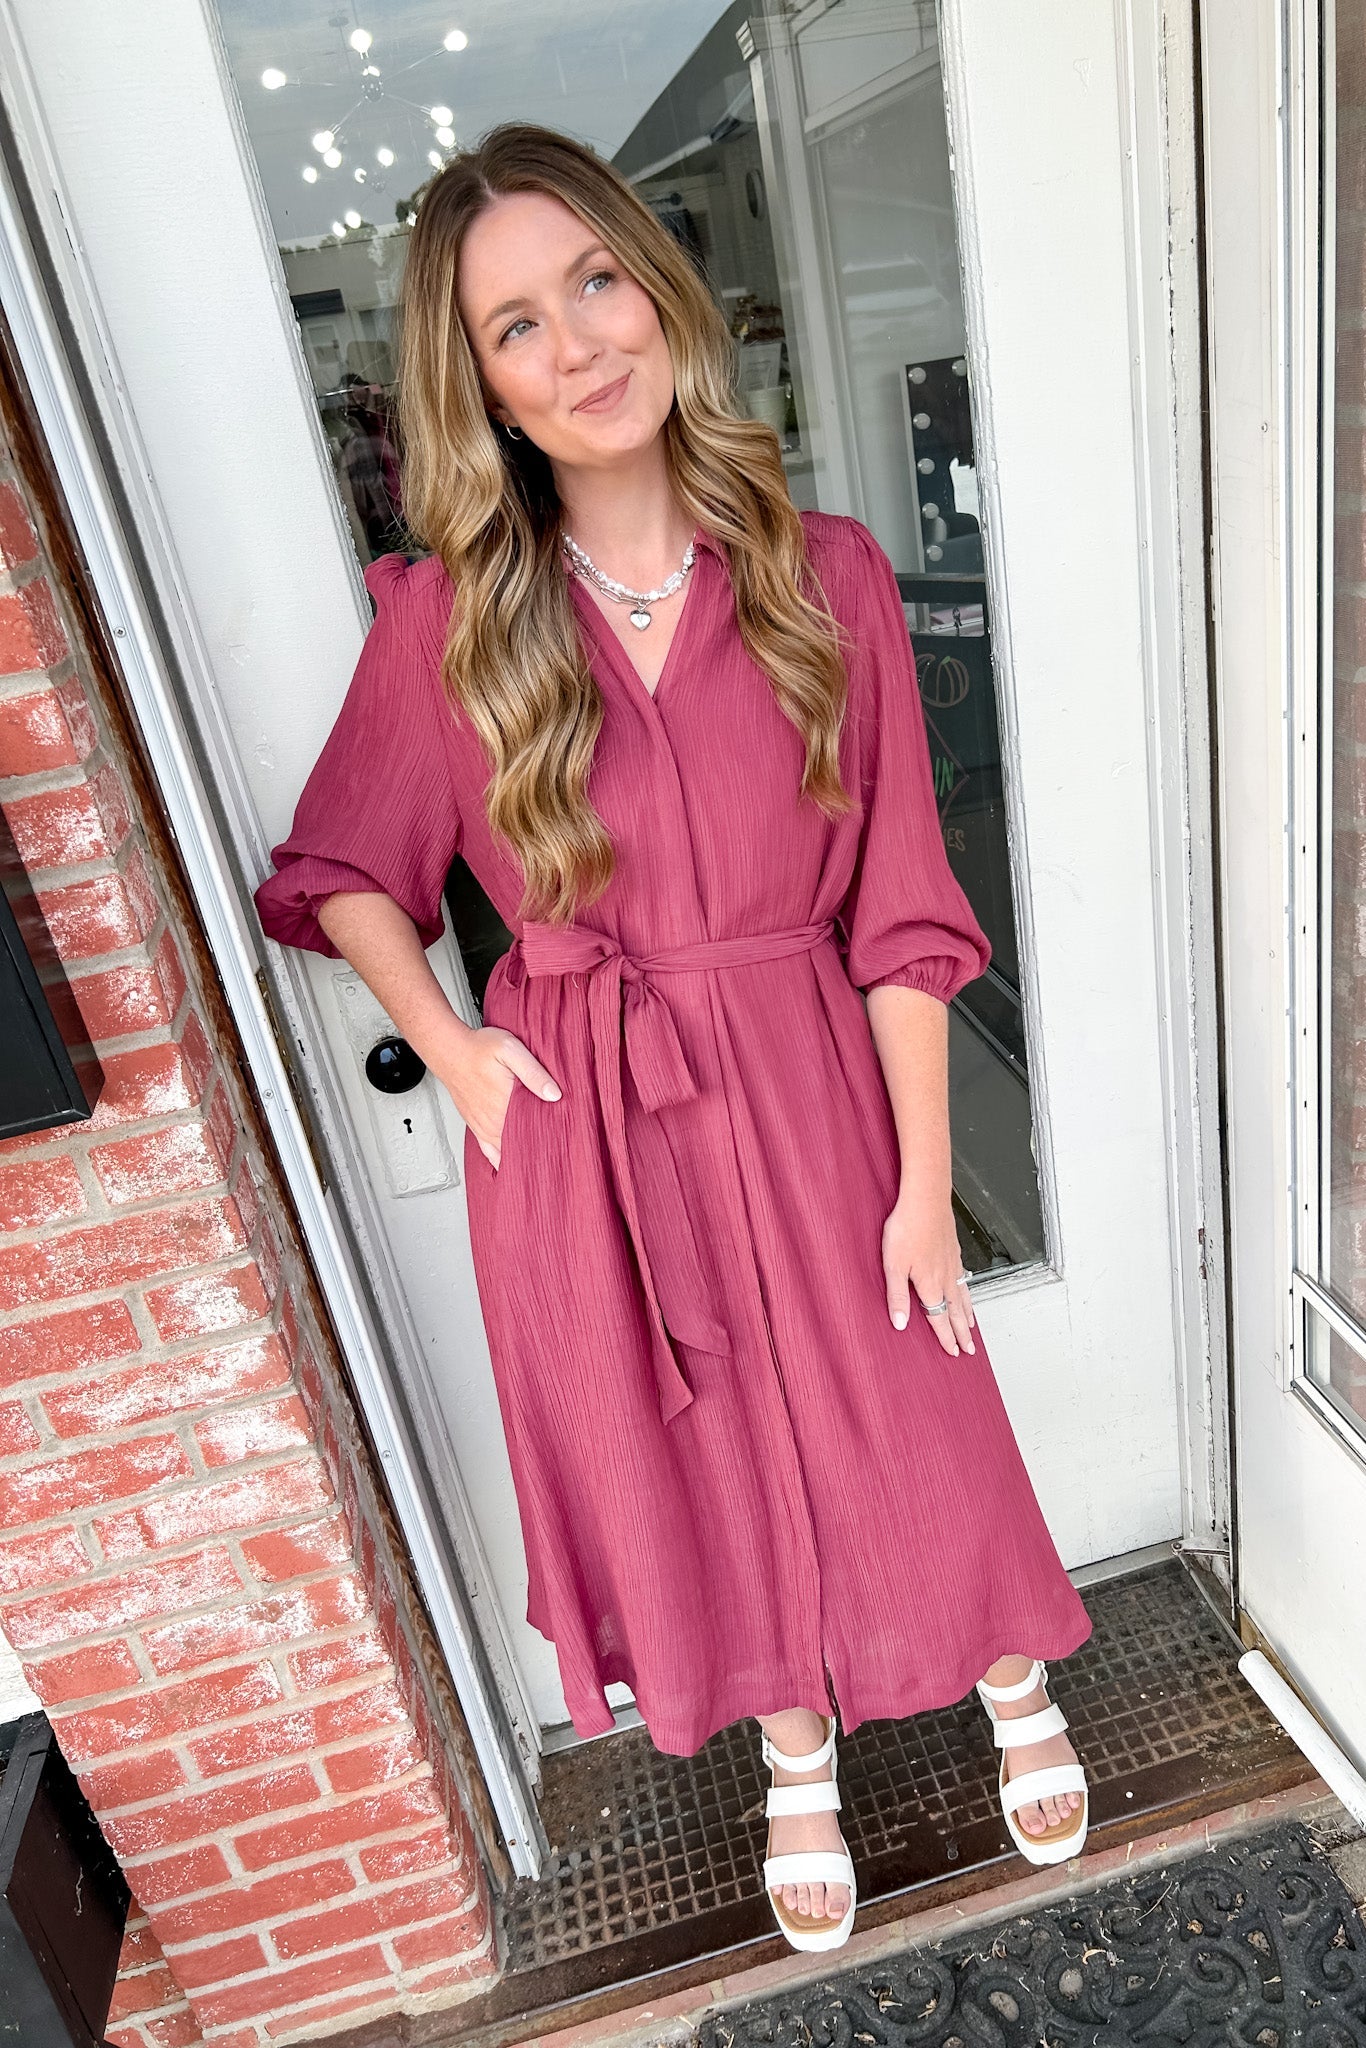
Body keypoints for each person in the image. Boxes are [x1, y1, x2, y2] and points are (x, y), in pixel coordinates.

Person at [253, 121, 1093, 1954]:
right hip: (589, 1120)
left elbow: (901, 914)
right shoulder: (454, 624)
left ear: (660, 286)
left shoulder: (827, 575)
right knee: (694, 1442)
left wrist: (929, 1179)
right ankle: (796, 1744)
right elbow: (338, 871)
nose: (577, 344)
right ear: (475, 387)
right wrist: (458, 1051)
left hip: (805, 1064)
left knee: (904, 1389)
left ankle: (1001, 1662)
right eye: (514, 326)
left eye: (598, 282)